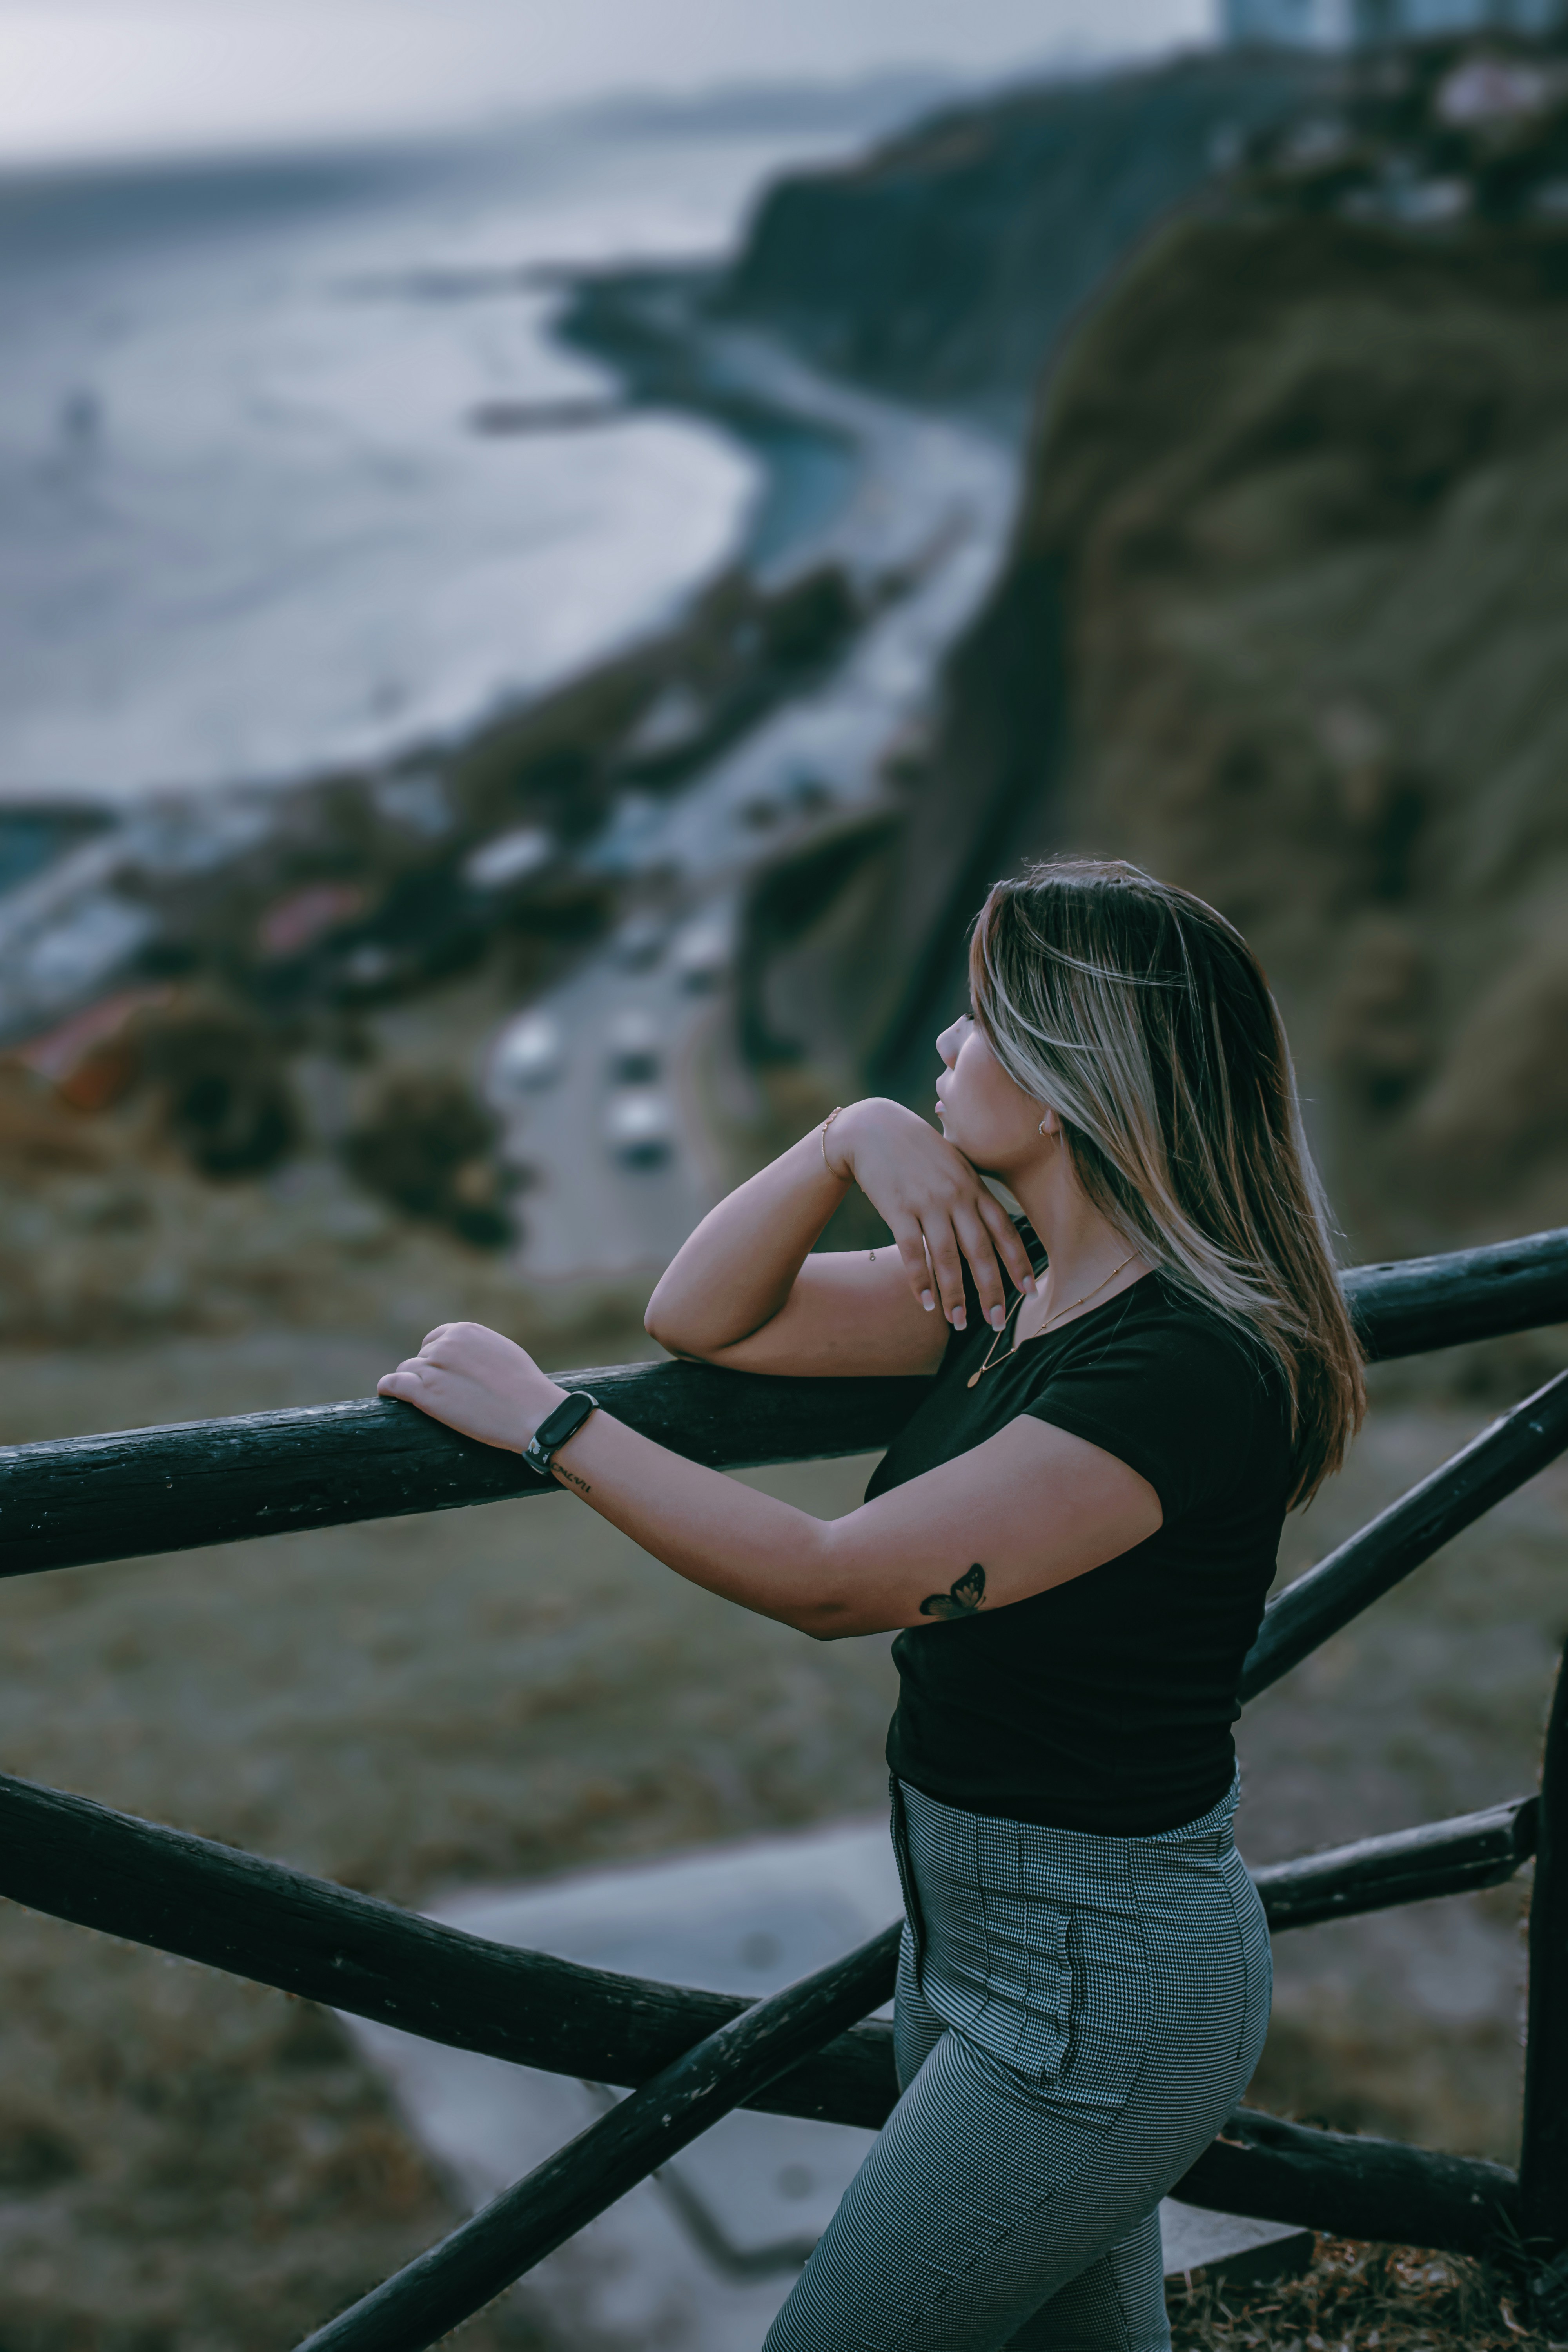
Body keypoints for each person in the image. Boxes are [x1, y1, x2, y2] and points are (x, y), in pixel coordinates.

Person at [377, 857, 1366, 2351]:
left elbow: (838, 1584)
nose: (943, 1052)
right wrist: (856, 1138)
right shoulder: (1019, 1283)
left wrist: (549, 1423)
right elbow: (706, 1314)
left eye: (975, 1029)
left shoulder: (1179, 1365)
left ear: (1062, 1084)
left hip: (1102, 1994)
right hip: (969, 1946)